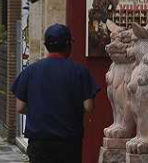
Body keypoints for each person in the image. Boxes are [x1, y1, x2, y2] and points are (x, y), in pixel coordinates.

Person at [12, 24, 100, 163]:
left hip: (39, 142)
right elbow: (89, 106)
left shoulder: (30, 71)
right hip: (69, 142)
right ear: (67, 44)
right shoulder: (79, 72)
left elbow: (20, 107)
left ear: (46, 45)